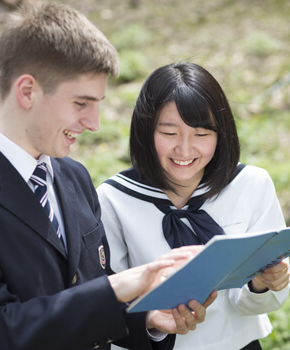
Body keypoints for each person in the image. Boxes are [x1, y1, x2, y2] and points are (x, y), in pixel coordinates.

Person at [0, 4, 217, 350]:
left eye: (98, 103)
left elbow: (86, 288)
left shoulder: (74, 177)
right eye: (82, 103)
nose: (94, 123)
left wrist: (145, 316)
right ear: (27, 91)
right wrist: (117, 289)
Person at [97, 62, 290, 350]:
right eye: (169, 133)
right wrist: (150, 320)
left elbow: (258, 303)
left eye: (201, 134)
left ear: (220, 134)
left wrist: (262, 283)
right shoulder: (114, 199)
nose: (185, 150)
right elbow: (104, 303)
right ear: (145, 131)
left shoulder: (251, 185)